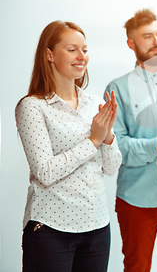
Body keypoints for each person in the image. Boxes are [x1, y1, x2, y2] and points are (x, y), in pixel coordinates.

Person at [15, 20, 122, 272]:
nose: (81, 56)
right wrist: (93, 140)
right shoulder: (32, 107)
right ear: (49, 54)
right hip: (50, 229)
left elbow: (111, 168)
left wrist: (107, 137)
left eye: (84, 50)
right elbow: (45, 172)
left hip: (97, 228)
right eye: (72, 49)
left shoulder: (95, 103)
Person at [104, 9, 157, 272]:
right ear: (131, 43)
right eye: (147, 36)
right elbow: (117, 148)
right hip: (137, 199)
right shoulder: (116, 89)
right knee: (137, 267)